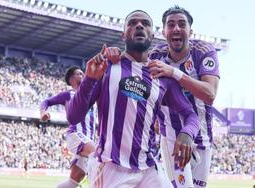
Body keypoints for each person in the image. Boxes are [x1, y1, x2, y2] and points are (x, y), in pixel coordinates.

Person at [66, 10, 200, 188]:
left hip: (149, 168)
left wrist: (186, 134)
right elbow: (73, 116)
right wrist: (90, 80)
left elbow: (190, 114)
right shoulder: (107, 66)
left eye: (145, 23)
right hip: (111, 166)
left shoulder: (162, 76)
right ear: (123, 35)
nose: (139, 26)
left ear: (152, 35)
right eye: (132, 23)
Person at [148, 5, 220, 188]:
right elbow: (147, 90)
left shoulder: (204, 51)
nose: (176, 29)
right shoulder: (155, 55)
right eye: (170, 25)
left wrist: (174, 73)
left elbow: (210, 94)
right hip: (172, 138)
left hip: (202, 138)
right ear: (164, 32)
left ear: (190, 31)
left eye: (182, 24)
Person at [40, 66, 97, 188]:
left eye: (83, 73)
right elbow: (46, 102)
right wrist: (43, 112)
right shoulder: (68, 94)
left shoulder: (92, 94)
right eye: (79, 74)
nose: (83, 75)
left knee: (73, 182)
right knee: (98, 156)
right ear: (71, 79)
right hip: (76, 135)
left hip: (88, 139)